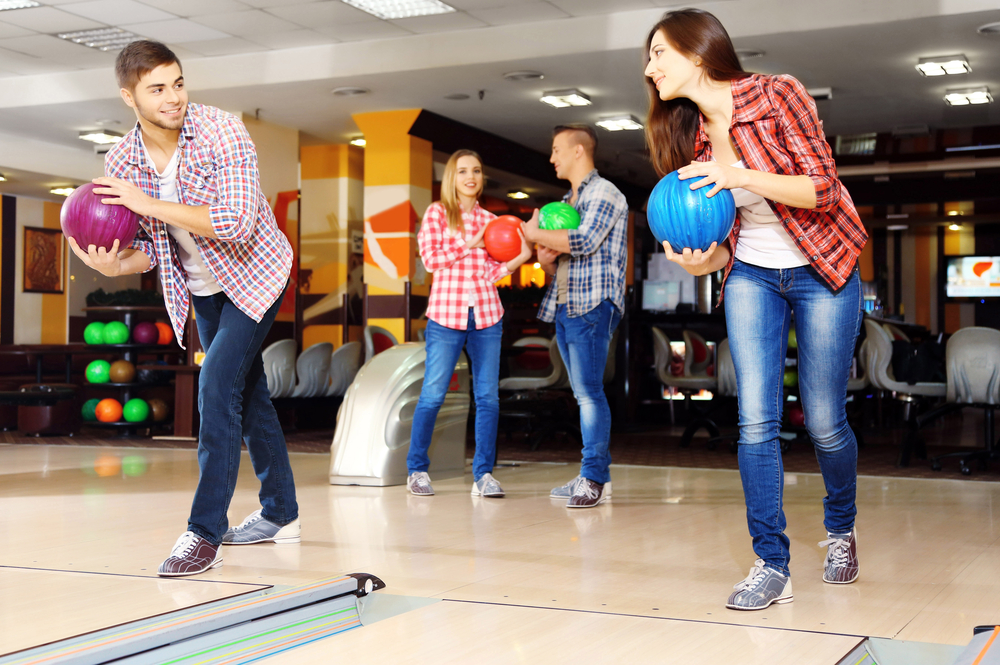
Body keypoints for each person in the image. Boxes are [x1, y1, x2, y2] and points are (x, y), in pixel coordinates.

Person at [642, 9, 868, 609]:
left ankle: (841, 528)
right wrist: (697, 260)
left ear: (696, 52)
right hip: (752, 275)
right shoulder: (691, 140)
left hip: (824, 268)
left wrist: (737, 170)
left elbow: (821, 187)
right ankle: (772, 564)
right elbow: (723, 243)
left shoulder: (776, 93)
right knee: (755, 421)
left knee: (823, 421)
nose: (650, 68)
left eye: (659, 53)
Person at [67, 40, 300, 577]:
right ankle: (280, 512)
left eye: (177, 83)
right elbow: (149, 244)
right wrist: (112, 267)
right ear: (130, 97)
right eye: (156, 89)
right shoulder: (122, 160)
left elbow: (238, 221)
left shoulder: (222, 130)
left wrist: (147, 203)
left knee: (217, 383)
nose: (173, 98)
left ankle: (204, 533)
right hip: (202, 286)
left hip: (257, 274)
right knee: (248, 391)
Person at [407, 150, 532, 498]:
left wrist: (517, 260)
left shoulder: (492, 220)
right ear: (452, 177)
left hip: (487, 315)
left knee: (488, 398)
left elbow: (489, 273)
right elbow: (431, 261)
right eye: (463, 171)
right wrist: (468, 242)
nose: (470, 177)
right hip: (446, 316)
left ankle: (484, 475)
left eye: (476, 170)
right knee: (433, 395)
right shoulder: (435, 214)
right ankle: (417, 470)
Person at [521, 125, 629, 509]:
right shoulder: (569, 198)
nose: (552, 158)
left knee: (589, 393)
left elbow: (582, 241)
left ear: (579, 150)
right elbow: (561, 264)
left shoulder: (605, 193)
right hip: (567, 303)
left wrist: (534, 234)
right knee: (582, 392)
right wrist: (544, 259)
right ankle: (594, 473)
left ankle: (594, 477)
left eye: (556, 150)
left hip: (593, 305)